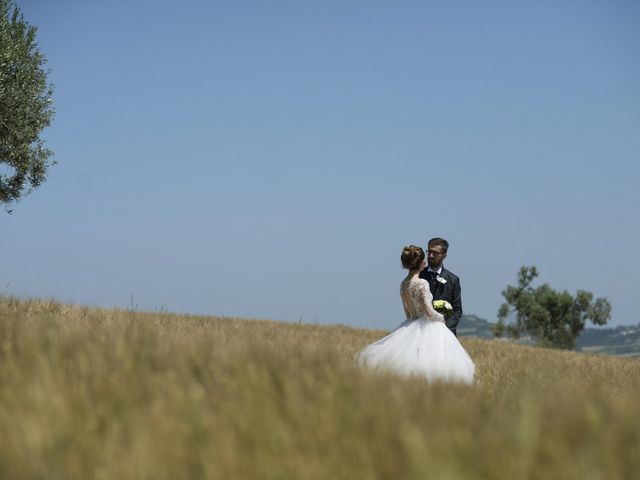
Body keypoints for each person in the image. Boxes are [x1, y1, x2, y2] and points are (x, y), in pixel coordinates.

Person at [355, 246, 475, 383]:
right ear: (420, 263)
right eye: (424, 258)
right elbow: (429, 312)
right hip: (429, 326)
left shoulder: (403, 284)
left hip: (410, 324)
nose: (426, 260)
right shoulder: (422, 283)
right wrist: (441, 317)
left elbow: (408, 313)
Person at [419, 238, 462, 336]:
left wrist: (444, 328)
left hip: (445, 334)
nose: (430, 256)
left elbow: (457, 310)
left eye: (435, 253)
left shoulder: (453, 280)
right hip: (422, 331)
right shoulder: (418, 276)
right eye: (429, 252)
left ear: (444, 255)